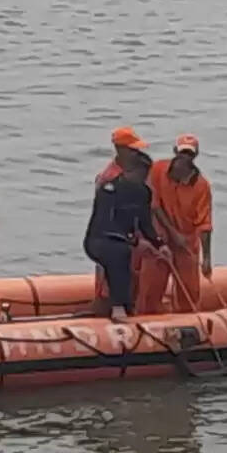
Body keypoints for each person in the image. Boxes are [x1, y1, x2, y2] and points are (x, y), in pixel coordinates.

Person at [83, 147, 169, 322]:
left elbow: (145, 223)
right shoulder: (109, 190)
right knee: (119, 253)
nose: (144, 178)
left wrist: (160, 244)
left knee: (124, 253)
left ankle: (127, 306)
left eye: (146, 174)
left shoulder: (144, 193)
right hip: (98, 239)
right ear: (130, 171)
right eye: (141, 173)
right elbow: (105, 222)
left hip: (124, 240)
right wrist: (135, 241)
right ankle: (118, 307)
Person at [136, 134, 213, 314]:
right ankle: (147, 322)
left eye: (189, 154)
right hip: (159, 239)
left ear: (195, 156)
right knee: (150, 289)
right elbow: (153, 205)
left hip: (186, 244)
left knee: (189, 293)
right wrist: (172, 232)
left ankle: (188, 326)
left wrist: (207, 259)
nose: (184, 157)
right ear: (175, 152)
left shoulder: (201, 186)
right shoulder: (157, 170)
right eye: (182, 153)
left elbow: (205, 224)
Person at [91, 126, 155, 315]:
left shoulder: (134, 175)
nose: (137, 154)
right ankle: (106, 318)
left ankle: (128, 311)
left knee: (131, 280)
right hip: (114, 239)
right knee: (109, 284)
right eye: (133, 150)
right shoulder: (110, 178)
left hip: (129, 237)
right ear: (122, 150)